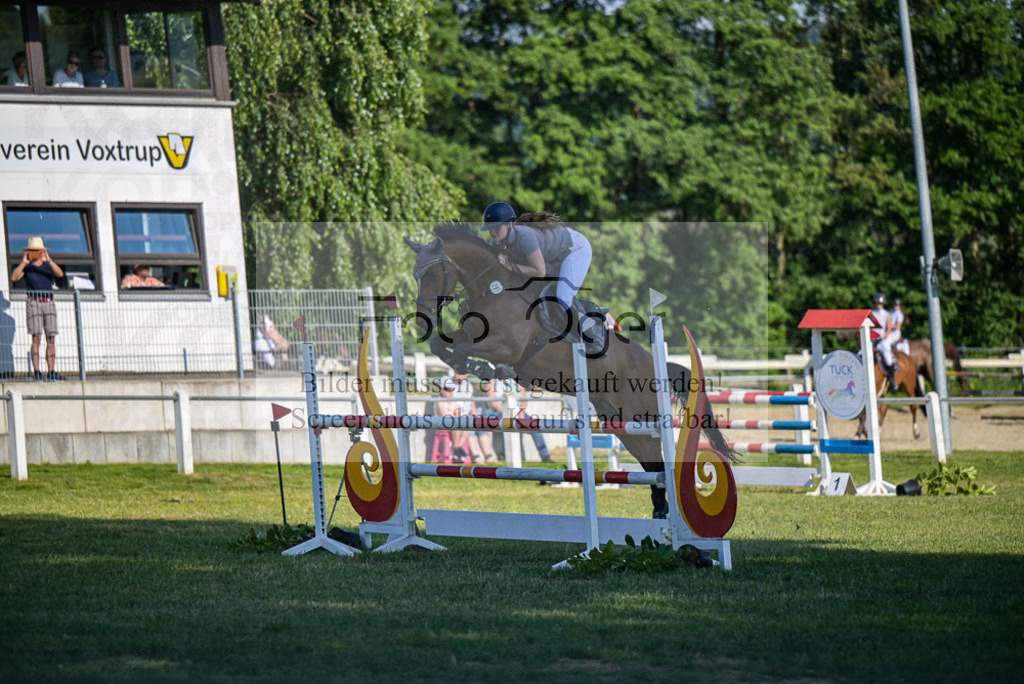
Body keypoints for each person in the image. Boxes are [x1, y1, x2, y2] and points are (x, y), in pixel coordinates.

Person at [480, 201, 600, 353]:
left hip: (574, 250)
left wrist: (509, 266)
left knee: (563, 297)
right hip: (552, 258)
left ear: (510, 224)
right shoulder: (497, 242)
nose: (493, 232)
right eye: (490, 229)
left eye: (497, 227)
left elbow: (539, 272)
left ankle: (593, 335)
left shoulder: (524, 237)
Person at [11, 236, 64, 381]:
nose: (35, 253)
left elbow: (60, 274)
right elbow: (14, 278)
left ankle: (51, 371)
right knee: (36, 338)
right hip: (33, 302)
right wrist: (23, 263)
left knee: (51, 338)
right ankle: (37, 371)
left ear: (43, 251)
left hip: (48, 302)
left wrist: (49, 260)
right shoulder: (27, 267)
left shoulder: (48, 266)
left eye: (38, 250)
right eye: (32, 251)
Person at [871, 292, 897, 386]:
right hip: (871, 339)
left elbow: (889, 329)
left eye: (880, 303)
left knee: (888, 358)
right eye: (877, 303)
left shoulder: (887, 314)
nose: (879, 305)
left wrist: (882, 337)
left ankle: (891, 379)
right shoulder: (871, 313)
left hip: (882, 339)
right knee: (860, 353)